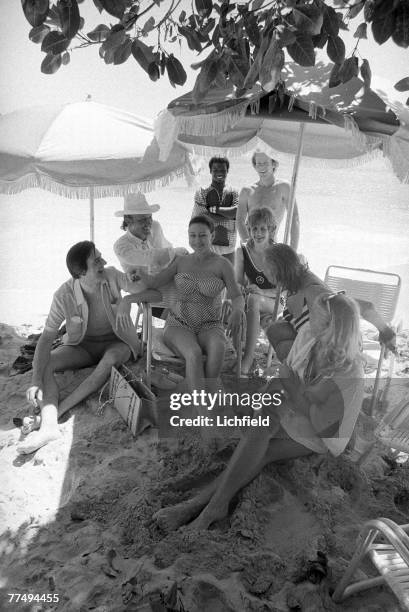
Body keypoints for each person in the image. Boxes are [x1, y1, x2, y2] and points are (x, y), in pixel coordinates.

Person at [153, 292, 365, 531]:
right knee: (258, 427)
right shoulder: (309, 335)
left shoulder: (350, 373)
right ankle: (208, 505)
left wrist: (293, 393)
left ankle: (206, 505)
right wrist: (265, 403)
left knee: (262, 449)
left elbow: (324, 427)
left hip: (321, 433)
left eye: (314, 315)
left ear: (330, 327)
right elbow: (284, 377)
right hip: (296, 406)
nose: (307, 318)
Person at [18, 241, 160, 455]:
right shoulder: (63, 295)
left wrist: (129, 298)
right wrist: (35, 380)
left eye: (101, 257)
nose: (104, 262)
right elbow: (46, 338)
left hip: (118, 343)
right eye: (97, 261)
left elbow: (155, 295)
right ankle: (48, 426)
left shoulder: (112, 275)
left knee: (110, 359)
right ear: (81, 272)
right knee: (47, 362)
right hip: (82, 347)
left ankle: (53, 417)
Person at [119, 216, 244, 393]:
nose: (197, 240)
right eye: (192, 236)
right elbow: (155, 282)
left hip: (210, 324)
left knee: (219, 347)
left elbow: (237, 296)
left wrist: (238, 310)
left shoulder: (223, 265)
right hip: (179, 323)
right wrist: (139, 273)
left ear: (212, 235)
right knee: (193, 353)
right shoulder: (181, 261)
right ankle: (203, 410)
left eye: (202, 235)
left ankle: (204, 394)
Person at [263, 244, 397, 362]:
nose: (262, 271)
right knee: (276, 329)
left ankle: (305, 383)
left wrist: (386, 331)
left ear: (277, 271)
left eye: (265, 267)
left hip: (334, 353)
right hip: (317, 342)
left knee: (281, 342)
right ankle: (300, 377)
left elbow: (364, 307)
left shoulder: (313, 290)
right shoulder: (293, 282)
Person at [235, 207, 278, 375]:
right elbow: (237, 282)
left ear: (271, 230)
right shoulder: (242, 252)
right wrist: (238, 290)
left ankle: (248, 358)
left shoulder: (278, 253)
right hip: (253, 298)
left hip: (274, 301)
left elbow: (284, 291)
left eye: (262, 229)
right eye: (254, 229)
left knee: (253, 299)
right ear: (249, 229)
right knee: (239, 303)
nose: (258, 233)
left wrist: (261, 292)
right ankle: (239, 354)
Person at [236, 152, 300, 250]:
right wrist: (249, 245)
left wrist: (293, 251)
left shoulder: (284, 187)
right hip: (249, 246)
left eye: (265, 163)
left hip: (271, 247)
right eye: (259, 163)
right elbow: (240, 221)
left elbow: (294, 219)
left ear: (274, 164)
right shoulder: (247, 191)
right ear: (255, 166)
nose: (261, 167)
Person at [114, 192, 186, 275]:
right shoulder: (121, 246)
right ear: (128, 220)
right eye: (142, 220)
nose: (149, 223)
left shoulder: (155, 227)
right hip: (142, 287)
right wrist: (179, 252)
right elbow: (151, 257)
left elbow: (164, 253)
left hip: (166, 278)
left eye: (150, 217)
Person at [191, 156, 238, 265]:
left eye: (222, 170)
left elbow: (236, 212)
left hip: (229, 248)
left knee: (229, 279)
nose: (219, 172)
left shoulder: (234, 192)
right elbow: (203, 219)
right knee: (206, 280)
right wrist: (229, 215)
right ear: (210, 171)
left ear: (228, 171)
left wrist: (215, 210)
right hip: (206, 247)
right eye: (215, 170)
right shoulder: (201, 192)